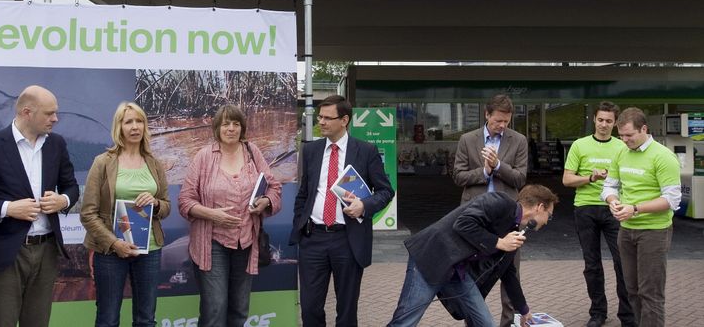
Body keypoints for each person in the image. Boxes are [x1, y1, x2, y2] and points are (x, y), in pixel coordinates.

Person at [0, 85, 79, 327]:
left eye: (56, 113)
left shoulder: (57, 144)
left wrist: (62, 200)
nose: (56, 119)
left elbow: (71, 186)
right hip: (5, 253)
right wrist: (7, 208)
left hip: (46, 252)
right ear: (26, 112)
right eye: (49, 113)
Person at [288, 94, 395, 327]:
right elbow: (305, 193)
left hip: (347, 239)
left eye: (328, 117)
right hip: (313, 238)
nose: (321, 122)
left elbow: (386, 191)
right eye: (320, 117)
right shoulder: (311, 151)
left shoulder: (365, 151)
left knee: (346, 309)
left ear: (344, 120)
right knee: (309, 307)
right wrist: (300, 222)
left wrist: (364, 206)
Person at [386, 184, 558, 327]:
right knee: (405, 321)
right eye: (548, 216)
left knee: (485, 323)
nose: (546, 222)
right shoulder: (499, 201)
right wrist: (498, 242)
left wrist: (524, 310)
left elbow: (508, 273)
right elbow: (463, 223)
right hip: (432, 257)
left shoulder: (514, 232)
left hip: (457, 272)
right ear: (539, 207)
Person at [178, 104, 283, 327]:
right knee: (214, 310)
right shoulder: (203, 157)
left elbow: (274, 188)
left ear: (242, 128)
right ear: (217, 127)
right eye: (226, 124)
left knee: (239, 310)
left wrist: (265, 201)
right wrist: (212, 214)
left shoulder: (253, 152)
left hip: (245, 242)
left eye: (236, 124)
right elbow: (185, 201)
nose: (231, 129)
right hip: (211, 243)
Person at [80, 102, 171, 327]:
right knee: (108, 320)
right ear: (118, 127)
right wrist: (114, 244)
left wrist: (156, 203)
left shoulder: (154, 163)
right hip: (111, 252)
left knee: (146, 320)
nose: (134, 127)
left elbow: (167, 206)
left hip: (149, 249)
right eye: (128, 121)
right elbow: (88, 213)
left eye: (139, 121)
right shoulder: (103, 163)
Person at [601, 107, 682, 327]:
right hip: (626, 229)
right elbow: (609, 185)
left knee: (651, 292)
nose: (625, 140)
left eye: (629, 135)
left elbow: (672, 200)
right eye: (621, 136)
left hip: (654, 231)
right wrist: (613, 201)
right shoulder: (621, 152)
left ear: (644, 129)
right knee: (632, 289)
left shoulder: (663, 156)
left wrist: (635, 209)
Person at [453, 93, 528, 327]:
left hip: (507, 221)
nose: (502, 126)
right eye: (498, 121)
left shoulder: (518, 140)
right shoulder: (468, 139)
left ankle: (509, 323)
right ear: (487, 115)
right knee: (473, 276)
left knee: (510, 276)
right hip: (475, 220)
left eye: (506, 121)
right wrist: (484, 172)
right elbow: (458, 176)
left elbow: (520, 178)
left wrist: (497, 166)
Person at [561, 101, 634, 327]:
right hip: (585, 208)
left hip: (615, 209)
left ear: (615, 123)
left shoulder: (622, 147)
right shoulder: (579, 145)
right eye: (600, 120)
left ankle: (627, 315)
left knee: (622, 263)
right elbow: (567, 179)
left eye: (609, 121)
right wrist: (590, 178)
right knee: (592, 264)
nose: (604, 124)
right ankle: (598, 313)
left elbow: (630, 177)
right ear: (594, 119)